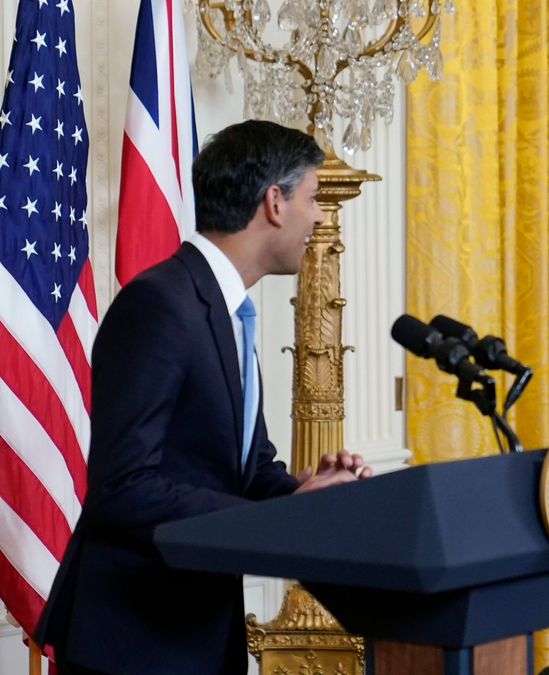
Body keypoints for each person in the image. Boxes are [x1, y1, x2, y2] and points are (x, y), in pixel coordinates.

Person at [34, 120, 372, 675]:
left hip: (196, 628)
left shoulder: (226, 309)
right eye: (313, 198)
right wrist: (273, 517)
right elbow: (121, 488)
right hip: (134, 642)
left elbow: (247, 468)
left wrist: (303, 491)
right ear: (274, 202)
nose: (319, 217)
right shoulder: (161, 305)